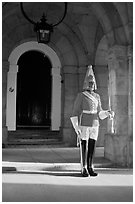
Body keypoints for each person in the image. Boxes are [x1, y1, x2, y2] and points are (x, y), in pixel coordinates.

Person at [70, 65, 114, 177]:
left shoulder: (97, 96)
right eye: (89, 83)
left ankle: (90, 166)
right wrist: (76, 126)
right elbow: (75, 111)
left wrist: (107, 113)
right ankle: (83, 167)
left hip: (95, 123)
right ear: (86, 84)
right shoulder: (81, 96)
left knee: (92, 146)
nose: (91, 85)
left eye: (93, 83)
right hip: (84, 122)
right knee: (84, 146)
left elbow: (99, 112)